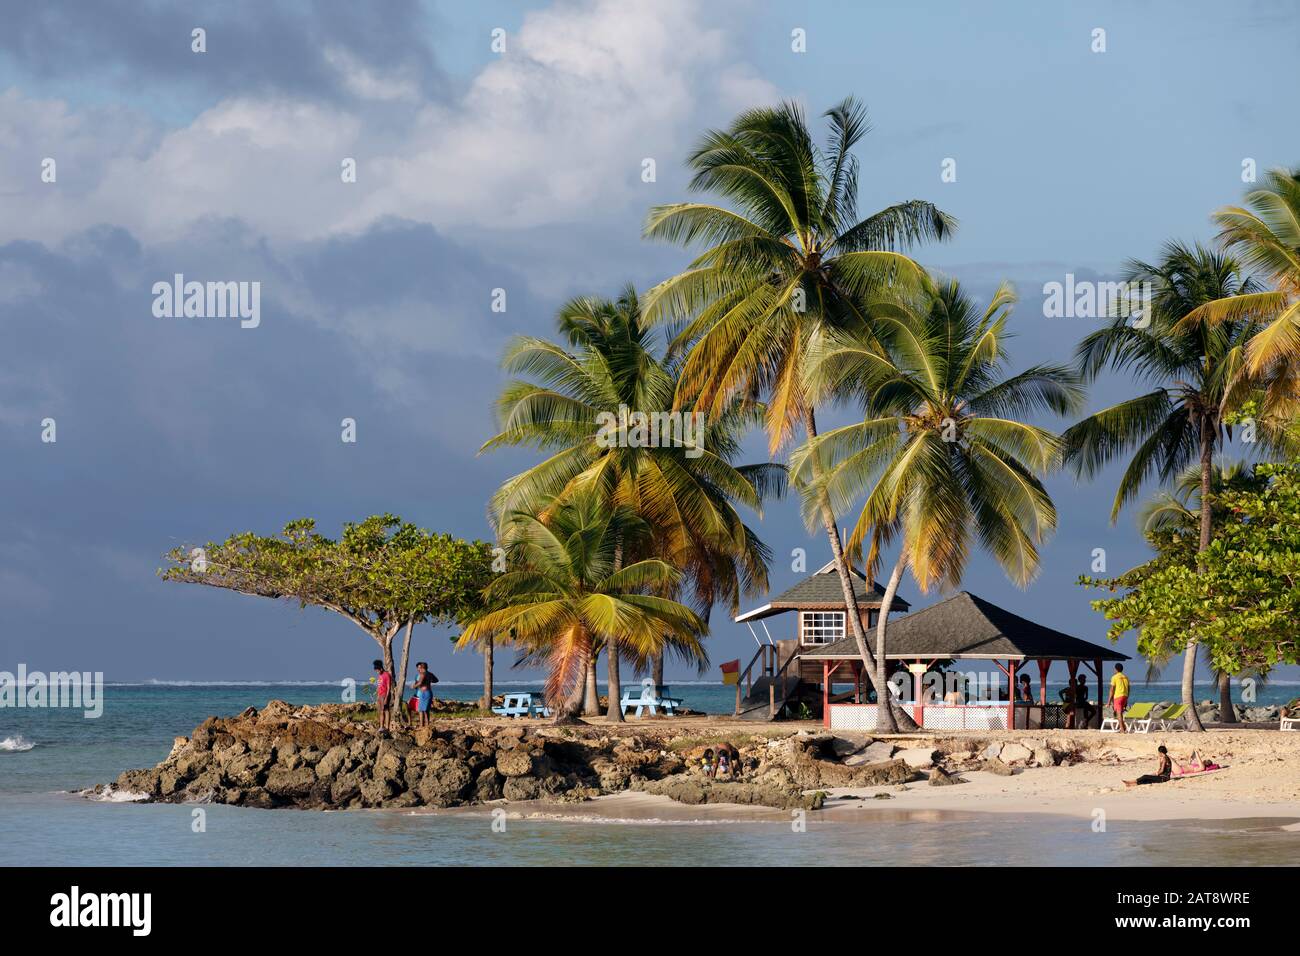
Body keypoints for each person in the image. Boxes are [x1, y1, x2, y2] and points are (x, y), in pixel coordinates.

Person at [409, 661, 438, 728]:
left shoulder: (422, 674)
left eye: (420, 668)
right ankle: (427, 725)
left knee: (421, 710)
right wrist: (428, 682)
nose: (419, 669)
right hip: (429, 692)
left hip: (424, 693)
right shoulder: (430, 674)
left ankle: (422, 725)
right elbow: (436, 680)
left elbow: (420, 683)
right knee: (426, 710)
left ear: (422, 668)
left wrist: (413, 686)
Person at [1107, 663, 1130, 733]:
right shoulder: (1126, 677)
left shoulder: (1114, 677)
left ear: (1116, 669)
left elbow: (1111, 690)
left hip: (1118, 696)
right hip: (1125, 696)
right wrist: (1126, 699)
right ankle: (1124, 727)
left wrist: (1108, 702)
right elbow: (1129, 689)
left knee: (1119, 713)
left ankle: (1122, 730)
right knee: (1120, 713)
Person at [373, 660, 392, 731]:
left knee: (386, 710)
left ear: (381, 668)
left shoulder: (386, 675)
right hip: (380, 695)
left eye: (377, 670)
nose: (377, 672)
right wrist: (377, 693)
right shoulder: (380, 675)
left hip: (385, 695)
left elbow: (389, 687)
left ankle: (387, 727)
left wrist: (387, 697)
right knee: (381, 711)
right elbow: (379, 686)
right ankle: (381, 726)